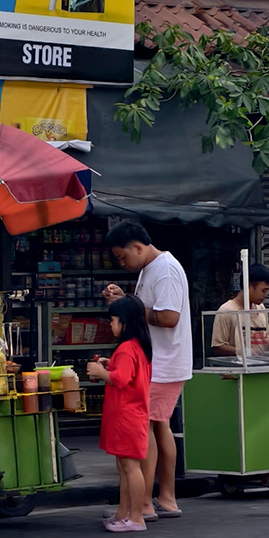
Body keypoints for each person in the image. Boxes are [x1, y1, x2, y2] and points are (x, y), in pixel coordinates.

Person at [103, 221, 191, 519]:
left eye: (123, 256)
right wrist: (125, 300)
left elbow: (168, 316)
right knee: (158, 424)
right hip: (161, 360)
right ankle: (164, 499)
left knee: (147, 425)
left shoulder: (165, 269)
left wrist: (128, 308)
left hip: (164, 361)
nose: (122, 263)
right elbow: (150, 307)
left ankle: (143, 505)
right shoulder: (150, 269)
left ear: (137, 247)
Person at [86, 295, 153, 533]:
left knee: (130, 467)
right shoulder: (137, 346)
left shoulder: (126, 349)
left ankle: (136, 517)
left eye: (113, 320)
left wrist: (99, 371)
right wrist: (109, 364)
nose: (111, 325)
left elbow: (121, 379)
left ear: (124, 322)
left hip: (127, 415)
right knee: (124, 465)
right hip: (131, 413)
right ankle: (123, 513)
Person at [211, 264, 269, 357]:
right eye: (263, 290)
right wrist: (242, 351)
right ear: (248, 287)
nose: (266, 295)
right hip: (237, 369)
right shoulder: (227, 311)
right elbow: (217, 347)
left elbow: (262, 341)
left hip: (258, 367)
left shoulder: (261, 309)